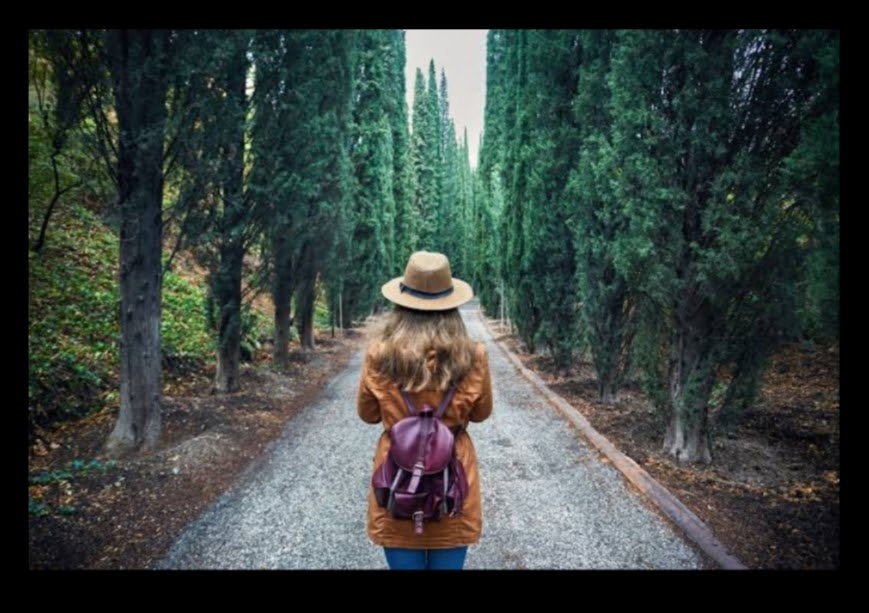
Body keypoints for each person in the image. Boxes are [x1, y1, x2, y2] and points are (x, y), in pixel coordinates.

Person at [357, 250, 493, 570]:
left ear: (401, 304)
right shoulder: (473, 356)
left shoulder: (379, 355)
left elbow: (368, 414)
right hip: (453, 487)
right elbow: (481, 413)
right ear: (452, 305)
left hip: (396, 484)